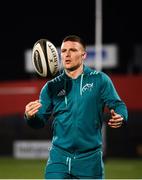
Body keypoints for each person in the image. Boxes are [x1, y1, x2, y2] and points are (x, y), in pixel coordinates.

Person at [24, 35, 128, 179]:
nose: (67, 54)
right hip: (58, 159)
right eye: (64, 50)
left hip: (90, 161)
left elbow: (118, 104)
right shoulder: (51, 87)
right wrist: (30, 116)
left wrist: (121, 116)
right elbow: (39, 121)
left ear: (83, 55)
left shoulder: (100, 80)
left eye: (72, 50)